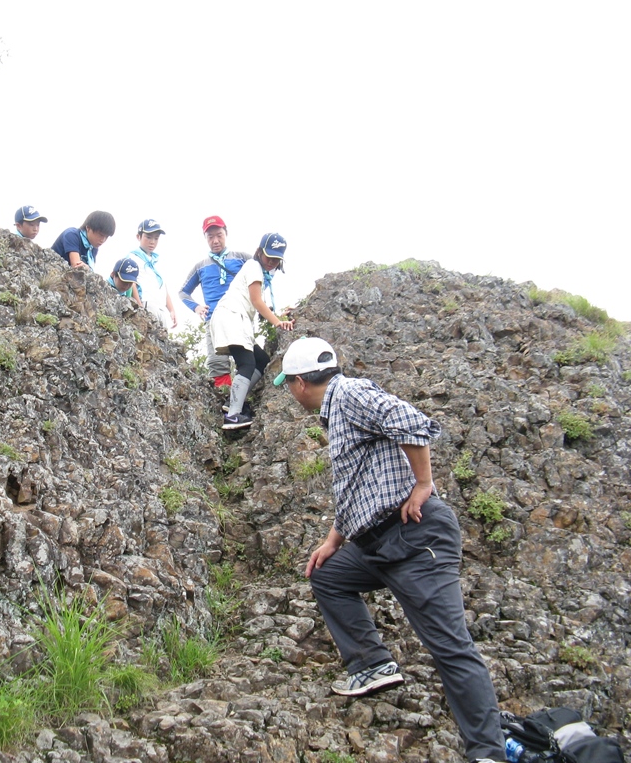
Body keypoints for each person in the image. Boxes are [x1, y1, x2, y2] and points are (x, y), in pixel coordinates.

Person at [274, 337, 508, 763]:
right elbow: (359, 486)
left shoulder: (350, 394)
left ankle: (488, 753)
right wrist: (333, 540)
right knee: (328, 575)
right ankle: (371, 665)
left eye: (288, 385)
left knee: (450, 646)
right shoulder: (337, 412)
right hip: (375, 543)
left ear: (300, 382)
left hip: (414, 538)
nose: (290, 393)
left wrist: (423, 483)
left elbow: (410, 420)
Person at [209, 233, 294, 430]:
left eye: (275, 259)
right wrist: (278, 323)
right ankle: (233, 415)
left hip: (235, 319)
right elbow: (256, 301)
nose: (271, 262)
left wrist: (279, 315)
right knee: (246, 363)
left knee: (261, 360)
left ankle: (233, 402)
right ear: (259, 252)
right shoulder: (253, 266)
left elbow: (259, 304)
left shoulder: (259, 272)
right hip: (232, 317)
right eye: (268, 256)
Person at [178, 216, 250, 387]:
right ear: (205, 238)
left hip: (239, 316)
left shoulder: (242, 258)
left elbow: (263, 275)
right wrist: (196, 307)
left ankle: (243, 397)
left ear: (226, 233)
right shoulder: (200, 267)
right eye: (210, 237)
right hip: (214, 320)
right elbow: (183, 292)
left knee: (247, 360)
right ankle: (224, 397)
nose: (215, 241)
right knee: (217, 363)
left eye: (219, 235)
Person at [128, 219, 177, 329]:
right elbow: (131, 283)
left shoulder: (157, 261)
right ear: (138, 237)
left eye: (156, 238)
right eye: (148, 237)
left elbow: (163, 287)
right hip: (147, 304)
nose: (152, 242)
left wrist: (171, 310)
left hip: (161, 308)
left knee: (162, 339)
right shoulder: (132, 258)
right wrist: (140, 307)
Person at [51, 211, 115, 271]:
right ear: (88, 228)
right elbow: (77, 266)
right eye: (101, 235)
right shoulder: (72, 235)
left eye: (106, 237)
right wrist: (87, 268)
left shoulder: (93, 248)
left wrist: (87, 268)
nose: (103, 240)